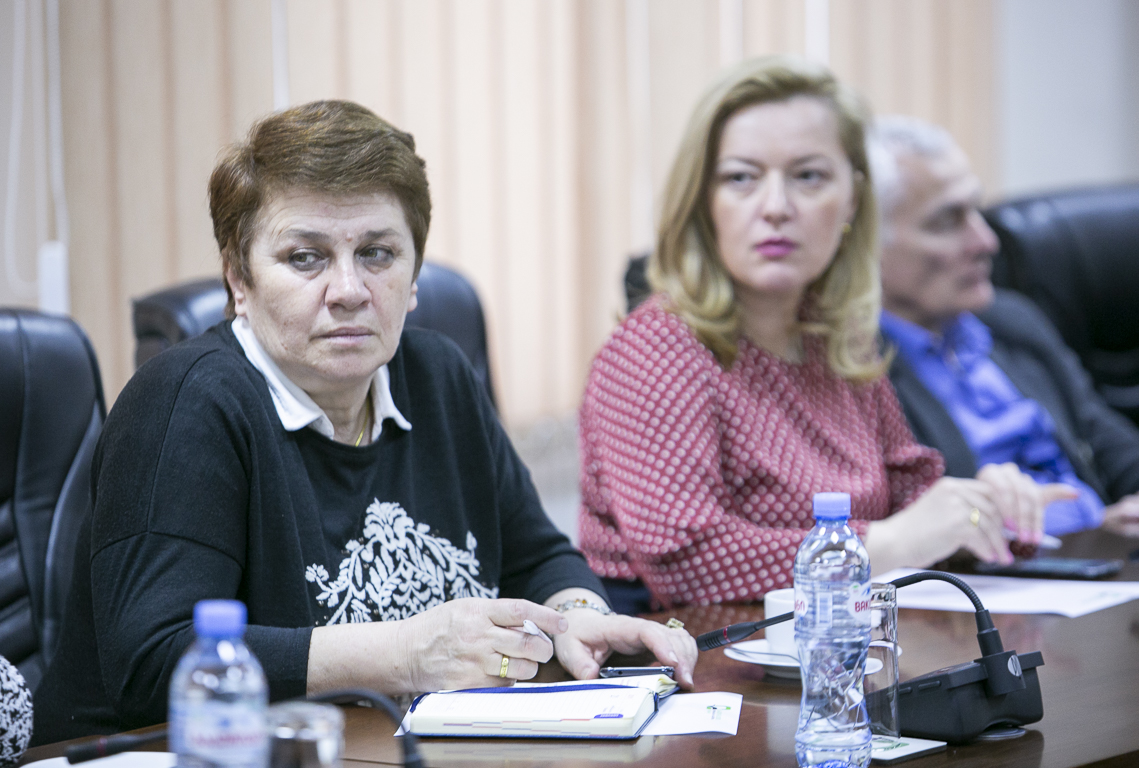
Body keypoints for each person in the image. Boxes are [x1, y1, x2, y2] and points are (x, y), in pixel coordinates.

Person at [32, 100, 696, 743]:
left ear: (414, 276)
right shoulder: (185, 404)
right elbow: (156, 662)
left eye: (377, 253)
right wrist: (404, 654)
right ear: (238, 279)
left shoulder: (437, 375)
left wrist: (575, 616)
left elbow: (535, 556)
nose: (349, 290)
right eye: (305, 257)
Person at [578, 57, 1073, 609]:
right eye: (741, 178)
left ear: (853, 199)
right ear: (702, 201)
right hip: (695, 652)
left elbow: (907, 495)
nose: (775, 207)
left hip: (840, 638)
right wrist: (886, 544)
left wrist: (980, 510)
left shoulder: (833, 338)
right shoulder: (655, 350)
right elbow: (687, 564)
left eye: (808, 176)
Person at [870, 114, 1139, 538]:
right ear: (867, 245)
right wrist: (1093, 532)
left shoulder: (1011, 320)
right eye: (947, 221)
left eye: (976, 212)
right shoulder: (855, 370)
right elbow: (922, 522)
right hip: (1000, 570)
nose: (986, 242)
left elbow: (1109, 442)